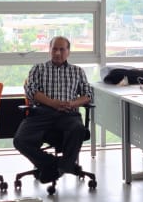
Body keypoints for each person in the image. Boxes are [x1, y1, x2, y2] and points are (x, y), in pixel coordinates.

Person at [14, 36, 93, 183]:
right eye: (54, 49)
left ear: (68, 52)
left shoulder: (77, 71)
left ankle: (58, 168)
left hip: (68, 114)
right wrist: (53, 103)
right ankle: (57, 165)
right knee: (20, 140)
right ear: (49, 50)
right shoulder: (38, 69)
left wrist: (73, 103)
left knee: (78, 129)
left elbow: (88, 95)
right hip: (41, 113)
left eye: (62, 49)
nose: (57, 53)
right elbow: (31, 91)